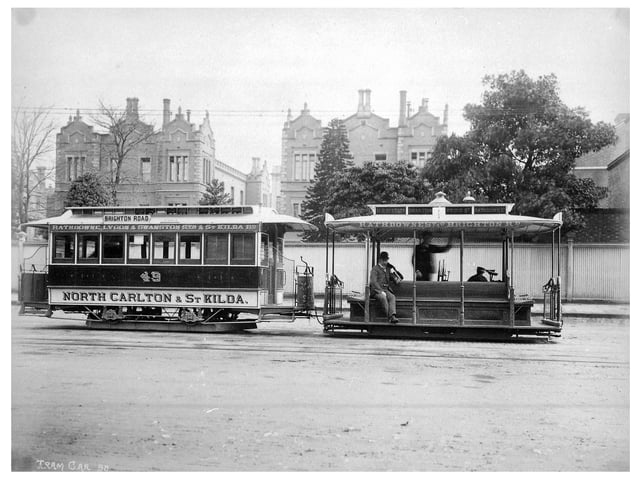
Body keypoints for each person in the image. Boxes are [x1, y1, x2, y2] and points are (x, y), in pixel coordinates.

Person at [369, 251, 399, 323]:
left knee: (392, 297)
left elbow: (395, 278)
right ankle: (390, 317)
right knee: (383, 297)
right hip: (376, 291)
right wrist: (380, 291)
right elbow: (374, 282)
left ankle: (393, 315)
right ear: (380, 260)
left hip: (385, 290)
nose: (385, 262)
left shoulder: (388, 269)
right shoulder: (375, 269)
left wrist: (395, 276)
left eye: (386, 260)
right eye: (384, 260)